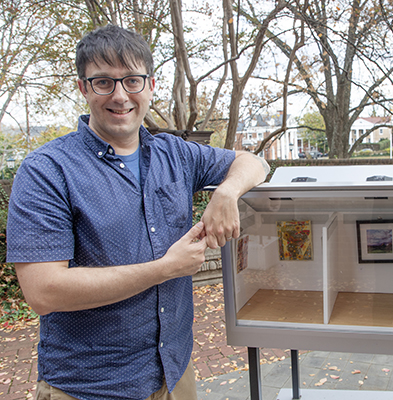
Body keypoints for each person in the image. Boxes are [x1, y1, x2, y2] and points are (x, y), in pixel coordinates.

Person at [7, 25, 269, 400]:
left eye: (132, 80)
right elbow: (44, 292)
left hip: (175, 375)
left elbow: (254, 161)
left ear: (151, 85)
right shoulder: (47, 170)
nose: (120, 95)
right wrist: (165, 268)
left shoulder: (175, 154)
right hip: (90, 388)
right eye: (103, 83)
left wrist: (227, 191)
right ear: (83, 88)